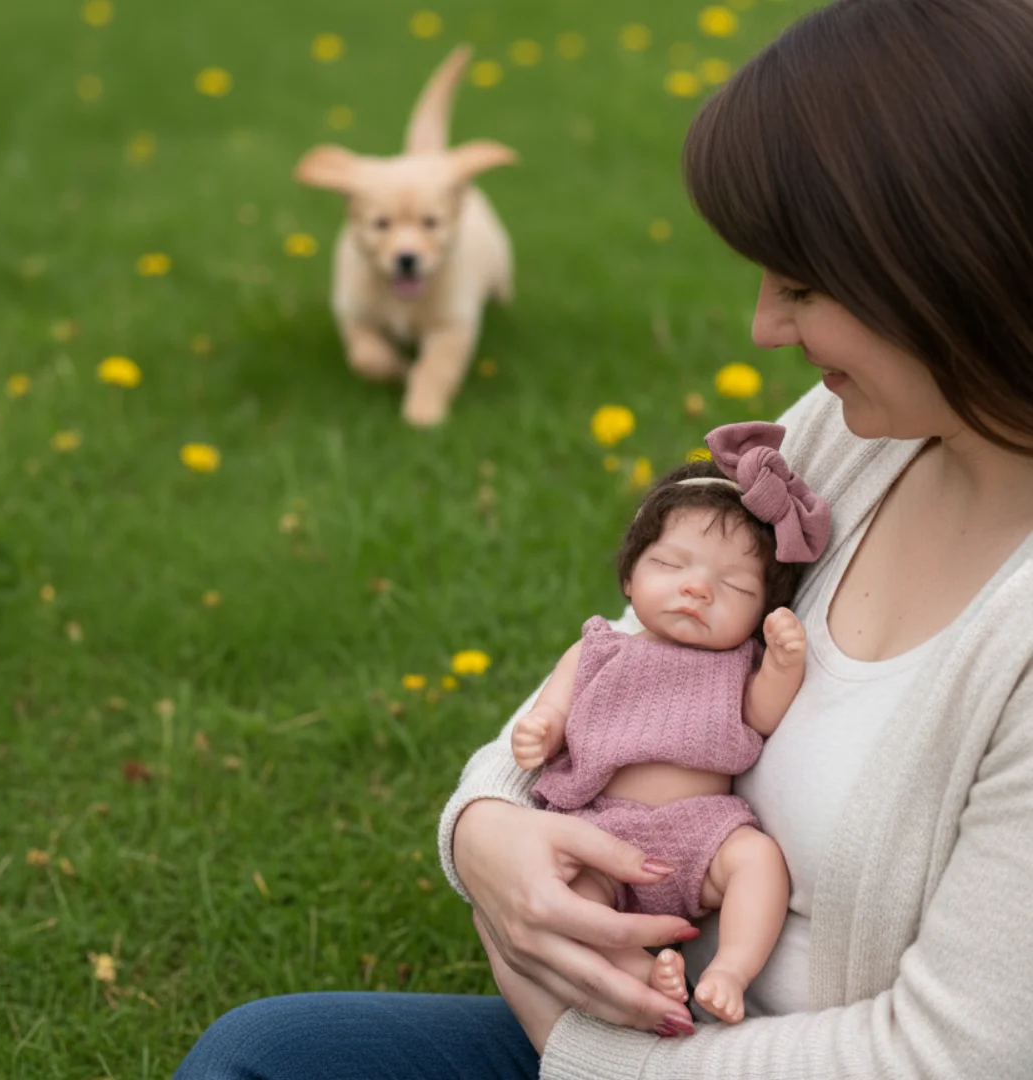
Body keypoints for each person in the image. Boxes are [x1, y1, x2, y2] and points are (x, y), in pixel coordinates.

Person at [172, 0, 1033, 1076]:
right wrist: (487, 832)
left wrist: (576, 1045)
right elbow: (616, 663)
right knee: (265, 1055)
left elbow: (948, 1058)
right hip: (651, 1026)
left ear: (962, 262)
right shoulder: (844, 438)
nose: (766, 325)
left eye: (805, 284)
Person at [510, 424, 830, 1027]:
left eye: (733, 585)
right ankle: (640, 982)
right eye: (670, 564)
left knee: (759, 862)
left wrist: (784, 664)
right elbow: (554, 709)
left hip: (701, 832)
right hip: (600, 828)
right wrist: (542, 731)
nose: (696, 588)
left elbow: (761, 714)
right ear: (630, 580)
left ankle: (730, 968)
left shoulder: (739, 665)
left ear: (760, 611)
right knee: (578, 906)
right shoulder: (600, 649)